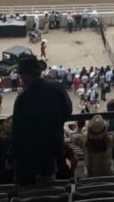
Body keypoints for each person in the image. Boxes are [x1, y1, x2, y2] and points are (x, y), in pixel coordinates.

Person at [12, 56, 72, 186]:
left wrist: (12, 156)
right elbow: (68, 112)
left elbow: (17, 131)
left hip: (28, 155)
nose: (20, 78)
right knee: (48, 188)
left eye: (21, 74)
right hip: (52, 150)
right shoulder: (57, 87)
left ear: (27, 75)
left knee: (27, 191)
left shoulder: (23, 98)